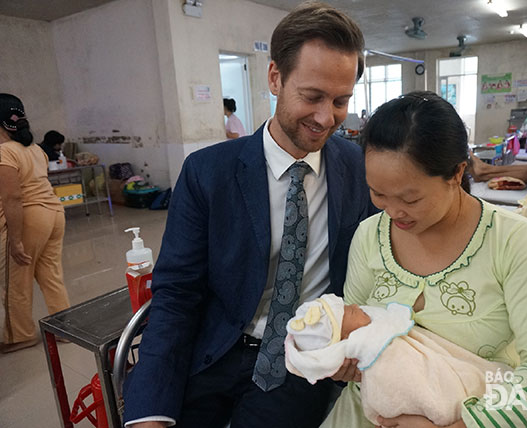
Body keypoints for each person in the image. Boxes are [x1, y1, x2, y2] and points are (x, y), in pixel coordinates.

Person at [123, 3, 375, 428]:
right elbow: (178, 294)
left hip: (301, 360)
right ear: (275, 77)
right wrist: (151, 412)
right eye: (312, 96)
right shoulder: (208, 173)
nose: (325, 117)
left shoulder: (357, 168)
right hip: (215, 351)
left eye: (341, 100)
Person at [321, 91, 527, 428]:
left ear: (457, 173)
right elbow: (356, 334)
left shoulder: (516, 242)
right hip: (370, 414)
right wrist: (342, 358)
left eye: (410, 198)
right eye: (378, 193)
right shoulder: (370, 236)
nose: (393, 211)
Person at [285, 294, 512, 427]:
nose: (356, 306)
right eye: (349, 312)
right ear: (347, 340)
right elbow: (400, 392)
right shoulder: (380, 360)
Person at [0, 94, 70, 353]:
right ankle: (64, 328)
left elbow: (13, 197)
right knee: (51, 275)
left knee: (16, 281)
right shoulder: (35, 149)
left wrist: (16, 240)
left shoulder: (4, 152)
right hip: (54, 214)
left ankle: (20, 336)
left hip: (30, 219)